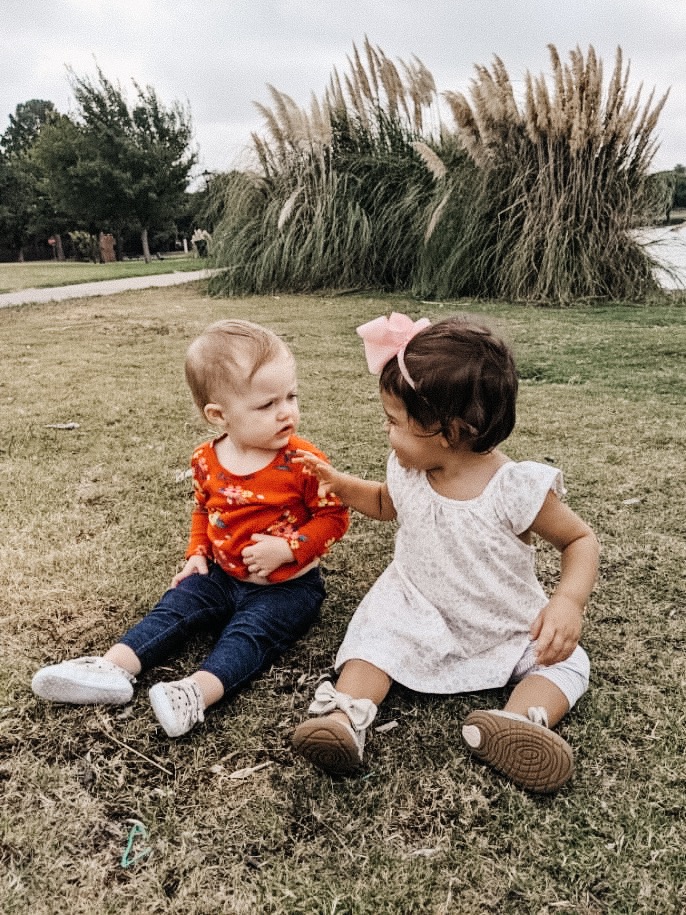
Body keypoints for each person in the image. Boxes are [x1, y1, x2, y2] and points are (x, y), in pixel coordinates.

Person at [292, 312, 599, 792]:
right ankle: (344, 717)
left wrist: (567, 601)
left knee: (567, 661)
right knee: (374, 643)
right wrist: (342, 485)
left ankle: (518, 722)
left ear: (450, 432)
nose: (387, 432)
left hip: (501, 620)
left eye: (394, 422)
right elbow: (385, 504)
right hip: (415, 608)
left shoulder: (514, 488)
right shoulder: (407, 469)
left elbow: (579, 541)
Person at [32, 319, 349, 738]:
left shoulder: (303, 461)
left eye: (291, 396)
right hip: (220, 575)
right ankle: (111, 668)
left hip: (288, 587)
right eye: (266, 404)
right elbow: (204, 510)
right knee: (175, 607)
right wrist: (196, 553)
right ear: (219, 415)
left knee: (249, 636)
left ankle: (194, 694)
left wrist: (288, 549)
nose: (286, 411)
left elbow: (335, 516)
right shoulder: (206, 459)